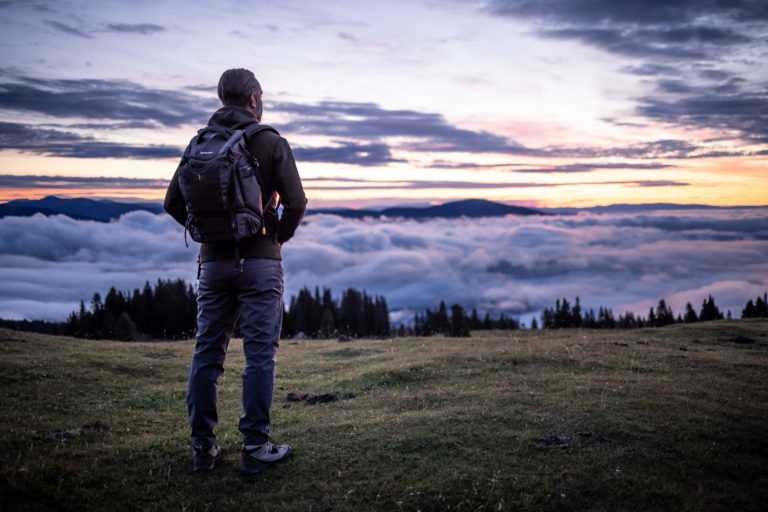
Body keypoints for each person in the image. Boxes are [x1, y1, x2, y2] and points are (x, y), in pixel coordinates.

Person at [164, 68, 307, 474]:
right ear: (253, 100)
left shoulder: (199, 143)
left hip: (212, 265)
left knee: (207, 352)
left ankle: (203, 448)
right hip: (260, 262)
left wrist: (208, 233)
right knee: (260, 354)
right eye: (261, 96)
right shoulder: (270, 142)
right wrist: (275, 236)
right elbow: (296, 202)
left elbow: (173, 203)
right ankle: (256, 447)